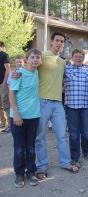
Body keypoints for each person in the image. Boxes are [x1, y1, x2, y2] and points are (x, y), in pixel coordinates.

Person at [34, 31, 79, 179]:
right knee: (40, 137)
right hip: (42, 101)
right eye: (57, 41)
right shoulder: (43, 56)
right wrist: (17, 73)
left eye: (62, 41)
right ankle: (41, 167)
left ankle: (65, 162)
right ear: (51, 41)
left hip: (58, 103)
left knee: (61, 135)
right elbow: (29, 67)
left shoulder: (62, 61)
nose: (60, 44)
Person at [9, 49, 42, 187]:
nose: (35, 60)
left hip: (33, 116)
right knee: (19, 147)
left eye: (38, 58)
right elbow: (11, 94)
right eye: (32, 57)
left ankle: (31, 172)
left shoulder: (37, 72)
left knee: (30, 146)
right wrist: (16, 113)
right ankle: (19, 174)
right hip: (18, 117)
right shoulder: (19, 74)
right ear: (27, 59)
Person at [64, 49, 88, 168]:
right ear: (72, 57)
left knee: (87, 131)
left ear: (83, 58)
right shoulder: (66, 69)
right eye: (76, 56)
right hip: (71, 106)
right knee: (74, 133)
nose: (78, 58)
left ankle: (87, 152)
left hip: (86, 106)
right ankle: (75, 157)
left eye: (80, 57)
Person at [2, 55, 26, 134]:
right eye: (17, 62)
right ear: (15, 63)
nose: (19, 63)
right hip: (15, 94)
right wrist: (11, 93)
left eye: (21, 62)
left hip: (24, 96)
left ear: (24, 62)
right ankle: (10, 124)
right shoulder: (12, 72)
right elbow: (9, 84)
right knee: (11, 108)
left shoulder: (27, 71)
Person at [0, 41, 11, 133]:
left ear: (1, 46)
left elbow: (8, 69)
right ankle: (3, 123)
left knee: (6, 104)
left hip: (3, 84)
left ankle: (11, 125)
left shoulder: (4, 55)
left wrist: (4, 82)